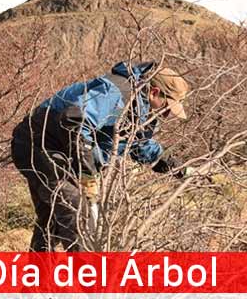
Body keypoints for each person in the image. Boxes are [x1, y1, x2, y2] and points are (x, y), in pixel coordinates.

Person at [11, 61, 190, 251]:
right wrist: (87, 175)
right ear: (154, 92)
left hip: (64, 152)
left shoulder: (141, 112)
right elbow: (75, 121)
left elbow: (139, 146)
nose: (168, 113)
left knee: (53, 220)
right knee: (76, 210)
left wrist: (179, 169)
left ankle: (39, 279)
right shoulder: (117, 92)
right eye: (167, 106)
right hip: (38, 144)